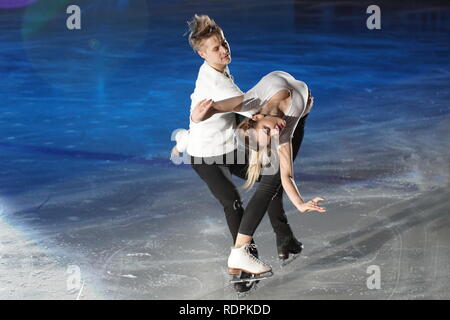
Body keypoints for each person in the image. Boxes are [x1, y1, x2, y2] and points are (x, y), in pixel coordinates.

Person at [172, 15, 303, 286]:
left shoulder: (216, 70)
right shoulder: (219, 83)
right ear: (201, 53)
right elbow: (254, 109)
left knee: (270, 178)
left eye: (224, 43)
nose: (224, 50)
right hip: (204, 155)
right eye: (216, 48)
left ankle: (284, 237)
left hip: (228, 148)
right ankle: (242, 268)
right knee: (232, 202)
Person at [191, 70, 326, 276]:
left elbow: (217, 107)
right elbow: (286, 175)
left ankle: (283, 238)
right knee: (271, 180)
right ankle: (241, 252)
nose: (275, 132)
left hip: (295, 113)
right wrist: (300, 204)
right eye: (270, 136)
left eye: (266, 130)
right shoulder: (283, 133)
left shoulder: (251, 103)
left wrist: (197, 116)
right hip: (297, 119)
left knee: (271, 179)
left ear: (257, 117)